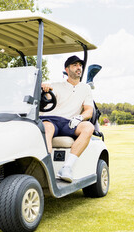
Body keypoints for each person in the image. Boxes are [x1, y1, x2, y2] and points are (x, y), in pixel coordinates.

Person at [40, 55, 95, 183]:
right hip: (52, 120)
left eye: (80, 66)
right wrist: (44, 86)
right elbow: (46, 92)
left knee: (88, 127)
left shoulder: (85, 88)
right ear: (67, 69)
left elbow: (89, 111)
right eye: (75, 65)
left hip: (70, 122)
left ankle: (67, 167)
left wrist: (80, 117)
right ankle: (46, 167)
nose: (79, 68)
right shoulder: (56, 85)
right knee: (46, 128)